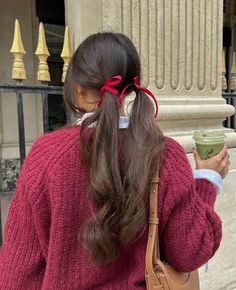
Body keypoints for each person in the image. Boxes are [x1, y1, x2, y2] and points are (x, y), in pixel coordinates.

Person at [0, 32, 229, 289]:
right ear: (132, 87)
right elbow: (190, 253)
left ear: (79, 91)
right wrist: (207, 181)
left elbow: (17, 275)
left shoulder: (46, 156)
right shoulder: (165, 154)